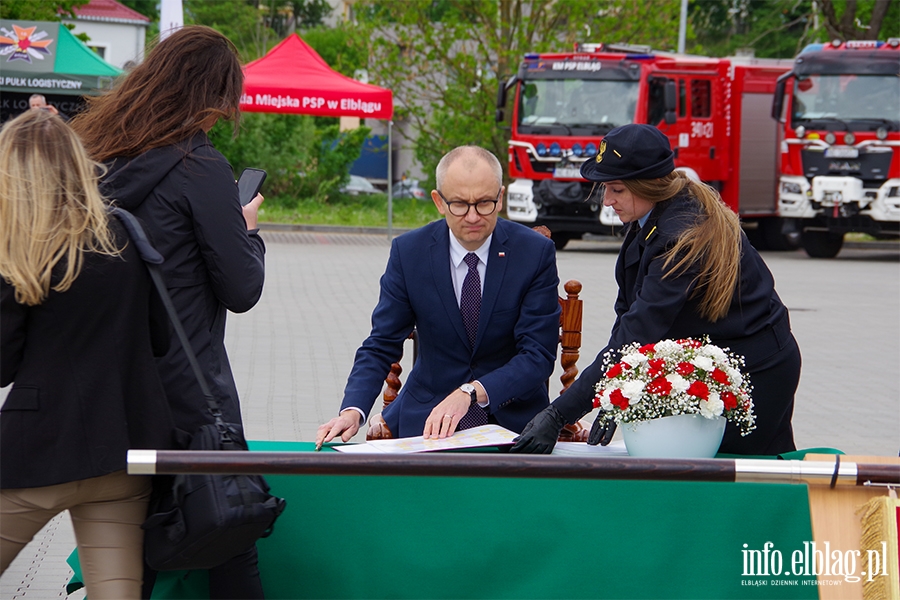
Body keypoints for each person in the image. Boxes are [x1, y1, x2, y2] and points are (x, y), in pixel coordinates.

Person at [70, 26, 267, 599]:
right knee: (233, 548)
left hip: (106, 395)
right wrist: (247, 231)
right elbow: (241, 288)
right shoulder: (199, 166)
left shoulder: (96, 157)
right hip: (189, 402)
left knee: (123, 567)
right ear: (214, 95)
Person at [511, 124, 800, 456]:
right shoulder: (653, 214)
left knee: (742, 473)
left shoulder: (680, 236)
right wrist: (612, 386)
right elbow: (627, 314)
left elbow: (636, 332)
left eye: (616, 189)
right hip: (720, 361)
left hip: (757, 369)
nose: (607, 201)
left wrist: (559, 413)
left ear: (645, 185)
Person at [0, 110, 176, 598]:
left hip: (36, 452)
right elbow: (160, 338)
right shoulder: (127, 234)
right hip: (124, 452)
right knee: (116, 592)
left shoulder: (20, 250)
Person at [316, 146, 561, 446]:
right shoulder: (410, 253)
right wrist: (352, 410)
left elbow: (538, 355)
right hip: (426, 418)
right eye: (459, 204)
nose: (472, 216)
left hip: (514, 422)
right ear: (438, 201)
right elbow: (381, 343)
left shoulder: (533, 253)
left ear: (501, 197)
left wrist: (470, 392)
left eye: (484, 203)